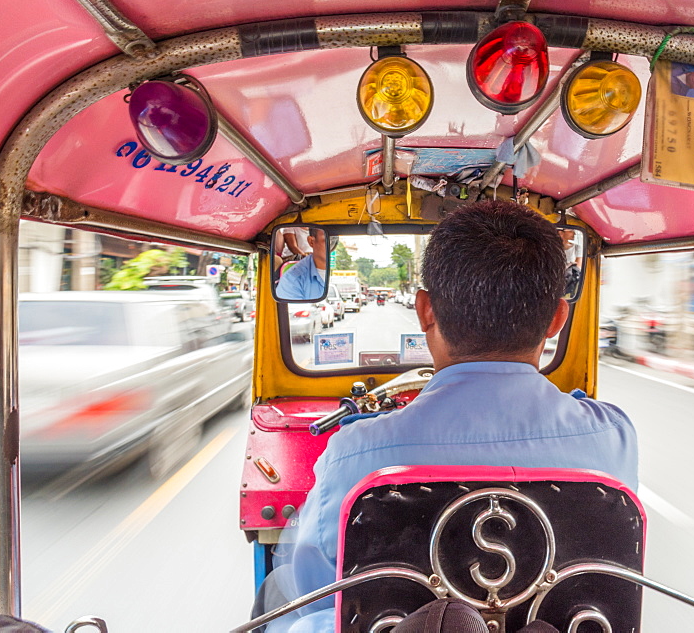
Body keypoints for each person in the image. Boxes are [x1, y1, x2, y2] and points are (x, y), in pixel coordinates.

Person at [261, 200, 638, 632]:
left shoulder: (353, 452)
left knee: (278, 592)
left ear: (424, 311)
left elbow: (314, 588)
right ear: (556, 318)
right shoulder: (614, 437)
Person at [275, 228, 329, 301]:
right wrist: (304, 255)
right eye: (326, 240)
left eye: (333, 241)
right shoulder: (292, 279)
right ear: (311, 241)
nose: (330, 244)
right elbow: (293, 247)